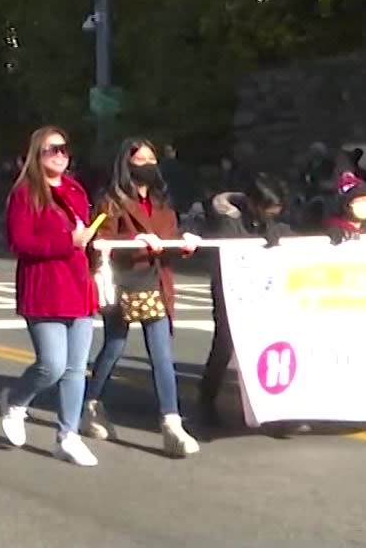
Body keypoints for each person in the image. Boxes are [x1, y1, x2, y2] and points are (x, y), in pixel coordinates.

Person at [80, 139, 202, 458]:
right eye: (140, 159)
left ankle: (171, 423)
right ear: (126, 164)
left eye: (151, 158)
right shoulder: (111, 200)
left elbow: (170, 237)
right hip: (123, 281)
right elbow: (99, 240)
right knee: (114, 346)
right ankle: (91, 404)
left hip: (156, 280)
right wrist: (136, 240)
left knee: (161, 353)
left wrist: (184, 243)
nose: (147, 164)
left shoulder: (162, 201)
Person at [0, 125, 100, 467]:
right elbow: (20, 243)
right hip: (44, 287)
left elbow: (84, 238)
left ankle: (67, 435)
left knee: (75, 369)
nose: (60, 154)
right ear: (36, 156)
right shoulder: (25, 193)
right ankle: (15, 400)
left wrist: (94, 249)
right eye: (51, 149)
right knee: (51, 365)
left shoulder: (75, 189)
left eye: (64, 148)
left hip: (79, 287)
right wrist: (66, 243)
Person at [196, 179, 289, 423]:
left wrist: (273, 229)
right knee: (225, 345)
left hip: (265, 290)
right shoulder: (226, 220)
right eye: (268, 209)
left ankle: (270, 403)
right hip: (231, 290)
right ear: (254, 204)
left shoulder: (272, 224)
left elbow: (297, 238)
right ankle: (206, 399)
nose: (272, 214)